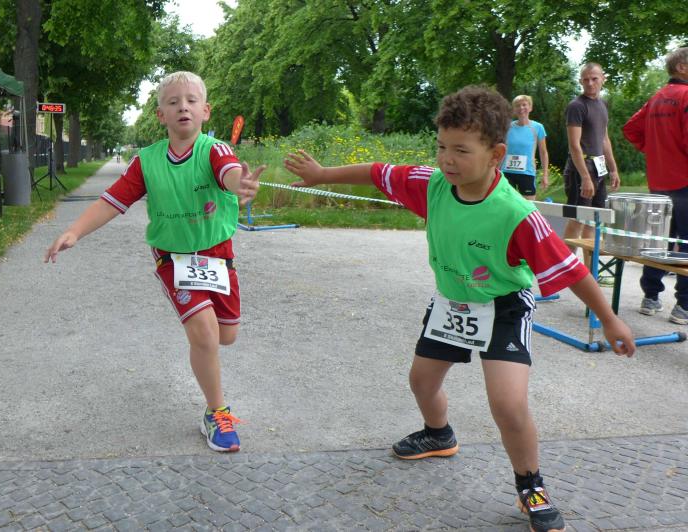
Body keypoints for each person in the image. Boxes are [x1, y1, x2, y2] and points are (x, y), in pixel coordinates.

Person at [284, 86, 635, 532]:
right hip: (452, 303)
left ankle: (531, 485)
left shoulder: (516, 214)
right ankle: (439, 434)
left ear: (496, 154)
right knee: (421, 381)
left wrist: (609, 319)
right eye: (441, 147)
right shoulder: (432, 184)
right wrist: (322, 174)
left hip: (504, 307)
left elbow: (572, 271)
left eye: (461, 151)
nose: (447, 160)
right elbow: (377, 171)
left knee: (507, 404)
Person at [44, 71, 263, 452]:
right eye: (174, 102)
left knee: (226, 336)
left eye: (192, 101)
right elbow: (113, 200)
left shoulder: (215, 151)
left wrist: (239, 185)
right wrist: (75, 231)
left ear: (206, 111)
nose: (183, 107)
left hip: (217, 256)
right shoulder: (146, 161)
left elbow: (230, 173)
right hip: (173, 258)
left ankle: (210, 370)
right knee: (204, 333)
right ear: (161, 115)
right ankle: (217, 413)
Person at [622, 47, 688, 325]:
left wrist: (655, 150)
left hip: (659, 182)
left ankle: (650, 297)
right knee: (685, 243)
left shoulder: (657, 97)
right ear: (682, 67)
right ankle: (684, 305)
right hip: (684, 181)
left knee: (658, 241)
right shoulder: (686, 96)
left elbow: (630, 129)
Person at [562, 63, 621, 284]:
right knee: (577, 219)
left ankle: (590, 273)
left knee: (594, 221)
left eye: (594, 78)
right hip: (581, 168)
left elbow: (604, 139)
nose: (590, 83)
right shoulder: (576, 106)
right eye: (585, 79)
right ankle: (564, 270)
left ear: (603, 79)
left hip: (599, 166)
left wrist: (613, 168)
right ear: (580, 81)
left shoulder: (602, 105)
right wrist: (585, 177)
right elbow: (574, 145)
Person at [502, 95, 549, 200]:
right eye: (517, 105)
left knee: (529, 206)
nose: (521, 108)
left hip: (527, 172)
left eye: (524, 105)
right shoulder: (507, 127)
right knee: (506, 205)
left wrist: (545, 175)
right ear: (514, 109)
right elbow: (500, 149)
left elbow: (543, 152)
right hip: (507, 172)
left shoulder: (537, 127)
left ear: (530, 108)